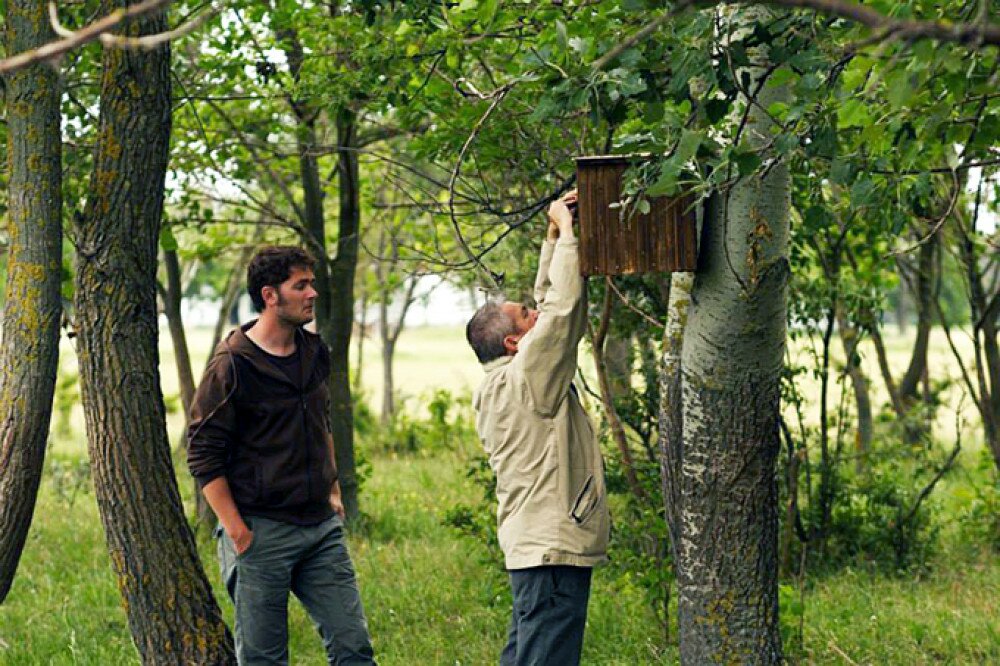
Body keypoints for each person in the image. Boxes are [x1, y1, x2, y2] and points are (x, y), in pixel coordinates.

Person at [187, 246, 375, 666]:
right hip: (260, 533)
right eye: (301, 285)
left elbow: (320, 420)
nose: (312, 294)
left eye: (312, 283)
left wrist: (333, 490)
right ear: (270, 295)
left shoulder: (313, 351)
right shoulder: (232, 364)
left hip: (320, 528)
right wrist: (238, 532)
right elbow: (202, 454)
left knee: (353, 648)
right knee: (264, 659)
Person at [465, 191, 610, 666]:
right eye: (527, 315)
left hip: (532, 548)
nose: (537, 313)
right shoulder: (530, 377)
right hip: (551, 549)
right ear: (513, 342)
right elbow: (564, 314)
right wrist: (569, 236)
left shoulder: (495, 385)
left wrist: (552, 239)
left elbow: (550, 311)